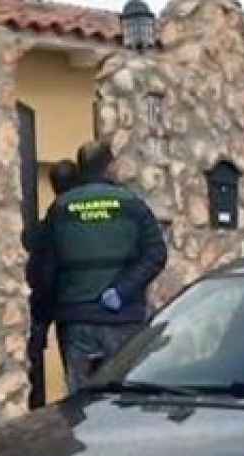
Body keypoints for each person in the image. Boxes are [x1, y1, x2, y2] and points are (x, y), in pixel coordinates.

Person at [37, 141, 168, 393]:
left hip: (76, 321)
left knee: (80, 402)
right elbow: (156, 253)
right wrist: (123, 290)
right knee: (123, 397)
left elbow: (46, 269)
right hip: (122, 319)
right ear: (110, 166)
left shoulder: (61, 207)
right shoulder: (131, 204)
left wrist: (47, 315)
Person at [25, 159, 81, 410]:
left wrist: (41, 316)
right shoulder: (79, 215)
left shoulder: (55, 217)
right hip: (99, 308)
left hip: (66, 310)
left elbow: (43, 269)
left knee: (80, 390)